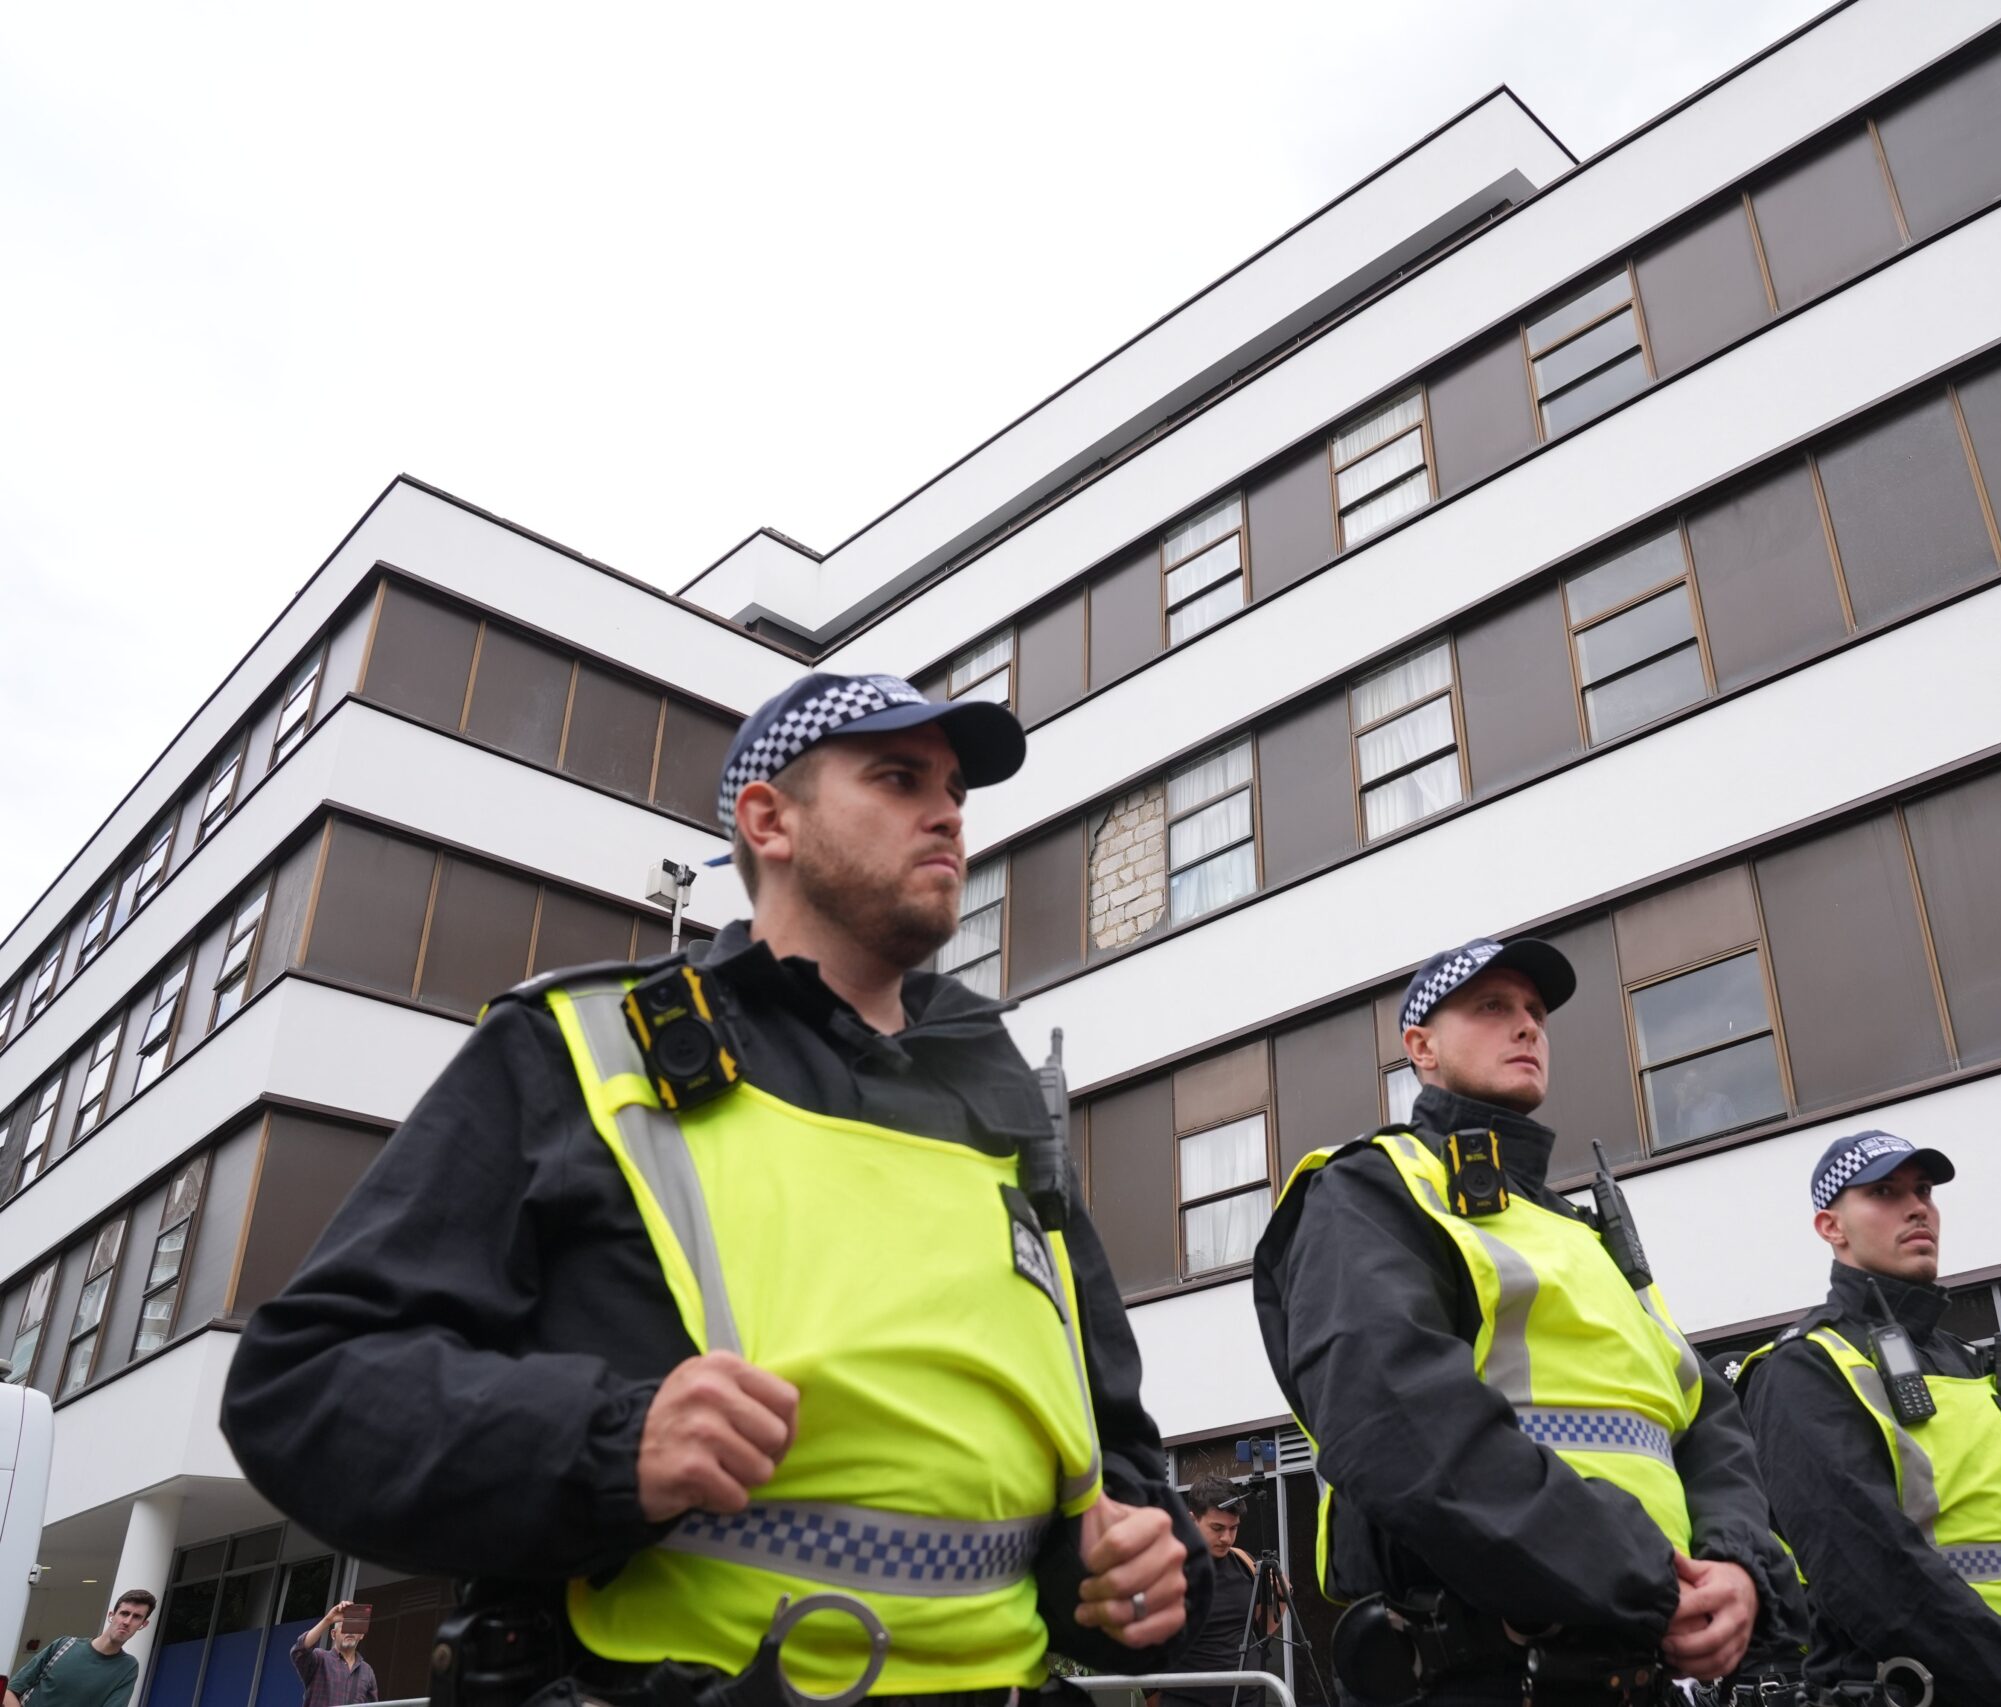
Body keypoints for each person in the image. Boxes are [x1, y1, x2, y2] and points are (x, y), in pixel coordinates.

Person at [221, 672, 1204, 1705]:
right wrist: (610, 1444)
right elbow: (304, 1386)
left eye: (956, 789)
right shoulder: (583, 1054)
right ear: (767, 820)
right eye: (898, 777)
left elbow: (1113, 1462)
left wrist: (1135, 1571)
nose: (947, 814)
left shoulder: (1009, 1112)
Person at [1255, 936, 1801, 1704]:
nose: (1527, 1026)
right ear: (1421, 1047)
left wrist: (1739, 1567)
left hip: (1642, 1661)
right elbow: (1399, 1421)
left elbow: (1709, 1421)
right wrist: (1644, 1573)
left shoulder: (1585, 1235)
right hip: (1484, 1674)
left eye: (1536, 1012)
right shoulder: (1374, 1187)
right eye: (1492, 1007)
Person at [1736, 1134, 2001, 1707]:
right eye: (1884, 1192)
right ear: (1831, 1228)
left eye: (1924, 1191)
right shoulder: (1804, 1366)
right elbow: (1868, 1570)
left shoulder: (1988, 1374)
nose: (1917, 1208)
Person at [1160, 1478, 1279, 1707]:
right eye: (1217, 1528)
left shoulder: (1244, 1561)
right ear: (1193, 1519)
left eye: (1233, 1528)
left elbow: (1261, 1631)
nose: (1226, 1537)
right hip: (1186, 1700)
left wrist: (1281, 1595)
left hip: (1247, 1698)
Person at [1, 1593, 154, 1707]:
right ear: (112, 1615)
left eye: (136, 1617)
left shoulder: (127, 1667)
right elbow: (10, 1691)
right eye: (124, 1613)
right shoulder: (64, 1645)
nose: (127, 1621)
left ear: (143, 1624)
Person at [289, 1601, 379, 1707]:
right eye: (345, 1626)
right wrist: (328, 1620)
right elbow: (300, 1650)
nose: (349, 1632)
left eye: (353, 1626)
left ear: (361, 1635)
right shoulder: (320, 1659)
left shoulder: (367, 1671)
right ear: (333, 1634)